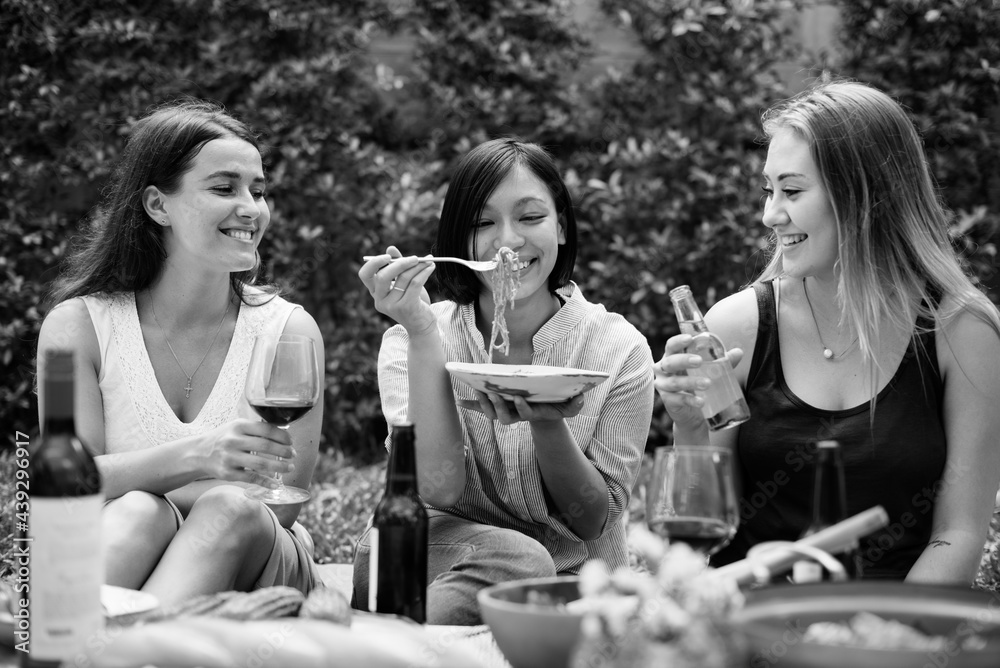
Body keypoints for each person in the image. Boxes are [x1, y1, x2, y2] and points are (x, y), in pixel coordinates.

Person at [654, 80, 1000, 583]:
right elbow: (697, 538)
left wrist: (875, 639)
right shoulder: (737, 327)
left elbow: (959, 533)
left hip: (894, 637)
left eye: (791, 190)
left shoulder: (962, 330)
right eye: (769, 190)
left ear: (867, 196)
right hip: (750, 634)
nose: (769, 214)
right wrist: (689, 426)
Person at [36, 100, 325, 605]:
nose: (251, 208)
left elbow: (280, 505)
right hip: (128, 542)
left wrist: (133, 482)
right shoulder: (75, 328)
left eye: (258, 191)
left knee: (227, 508)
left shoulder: (288, 330)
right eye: (224, 188)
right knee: (138, 513)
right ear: (157, 205)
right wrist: (196, 457)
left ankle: (89, 643)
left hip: (257, 555)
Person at [356, 138, 655, 624]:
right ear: (460, 239)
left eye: (530, 217)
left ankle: (388, 638)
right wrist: (421, 330)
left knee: (531, 565)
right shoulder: (408, 338)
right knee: (520, 560)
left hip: (569, 584)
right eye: (482, 224)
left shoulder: (618, 350)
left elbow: (591, 520)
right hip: (426, 556)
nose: (507, 241)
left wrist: (548, 421)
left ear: (560, 225)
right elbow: (437, 488)